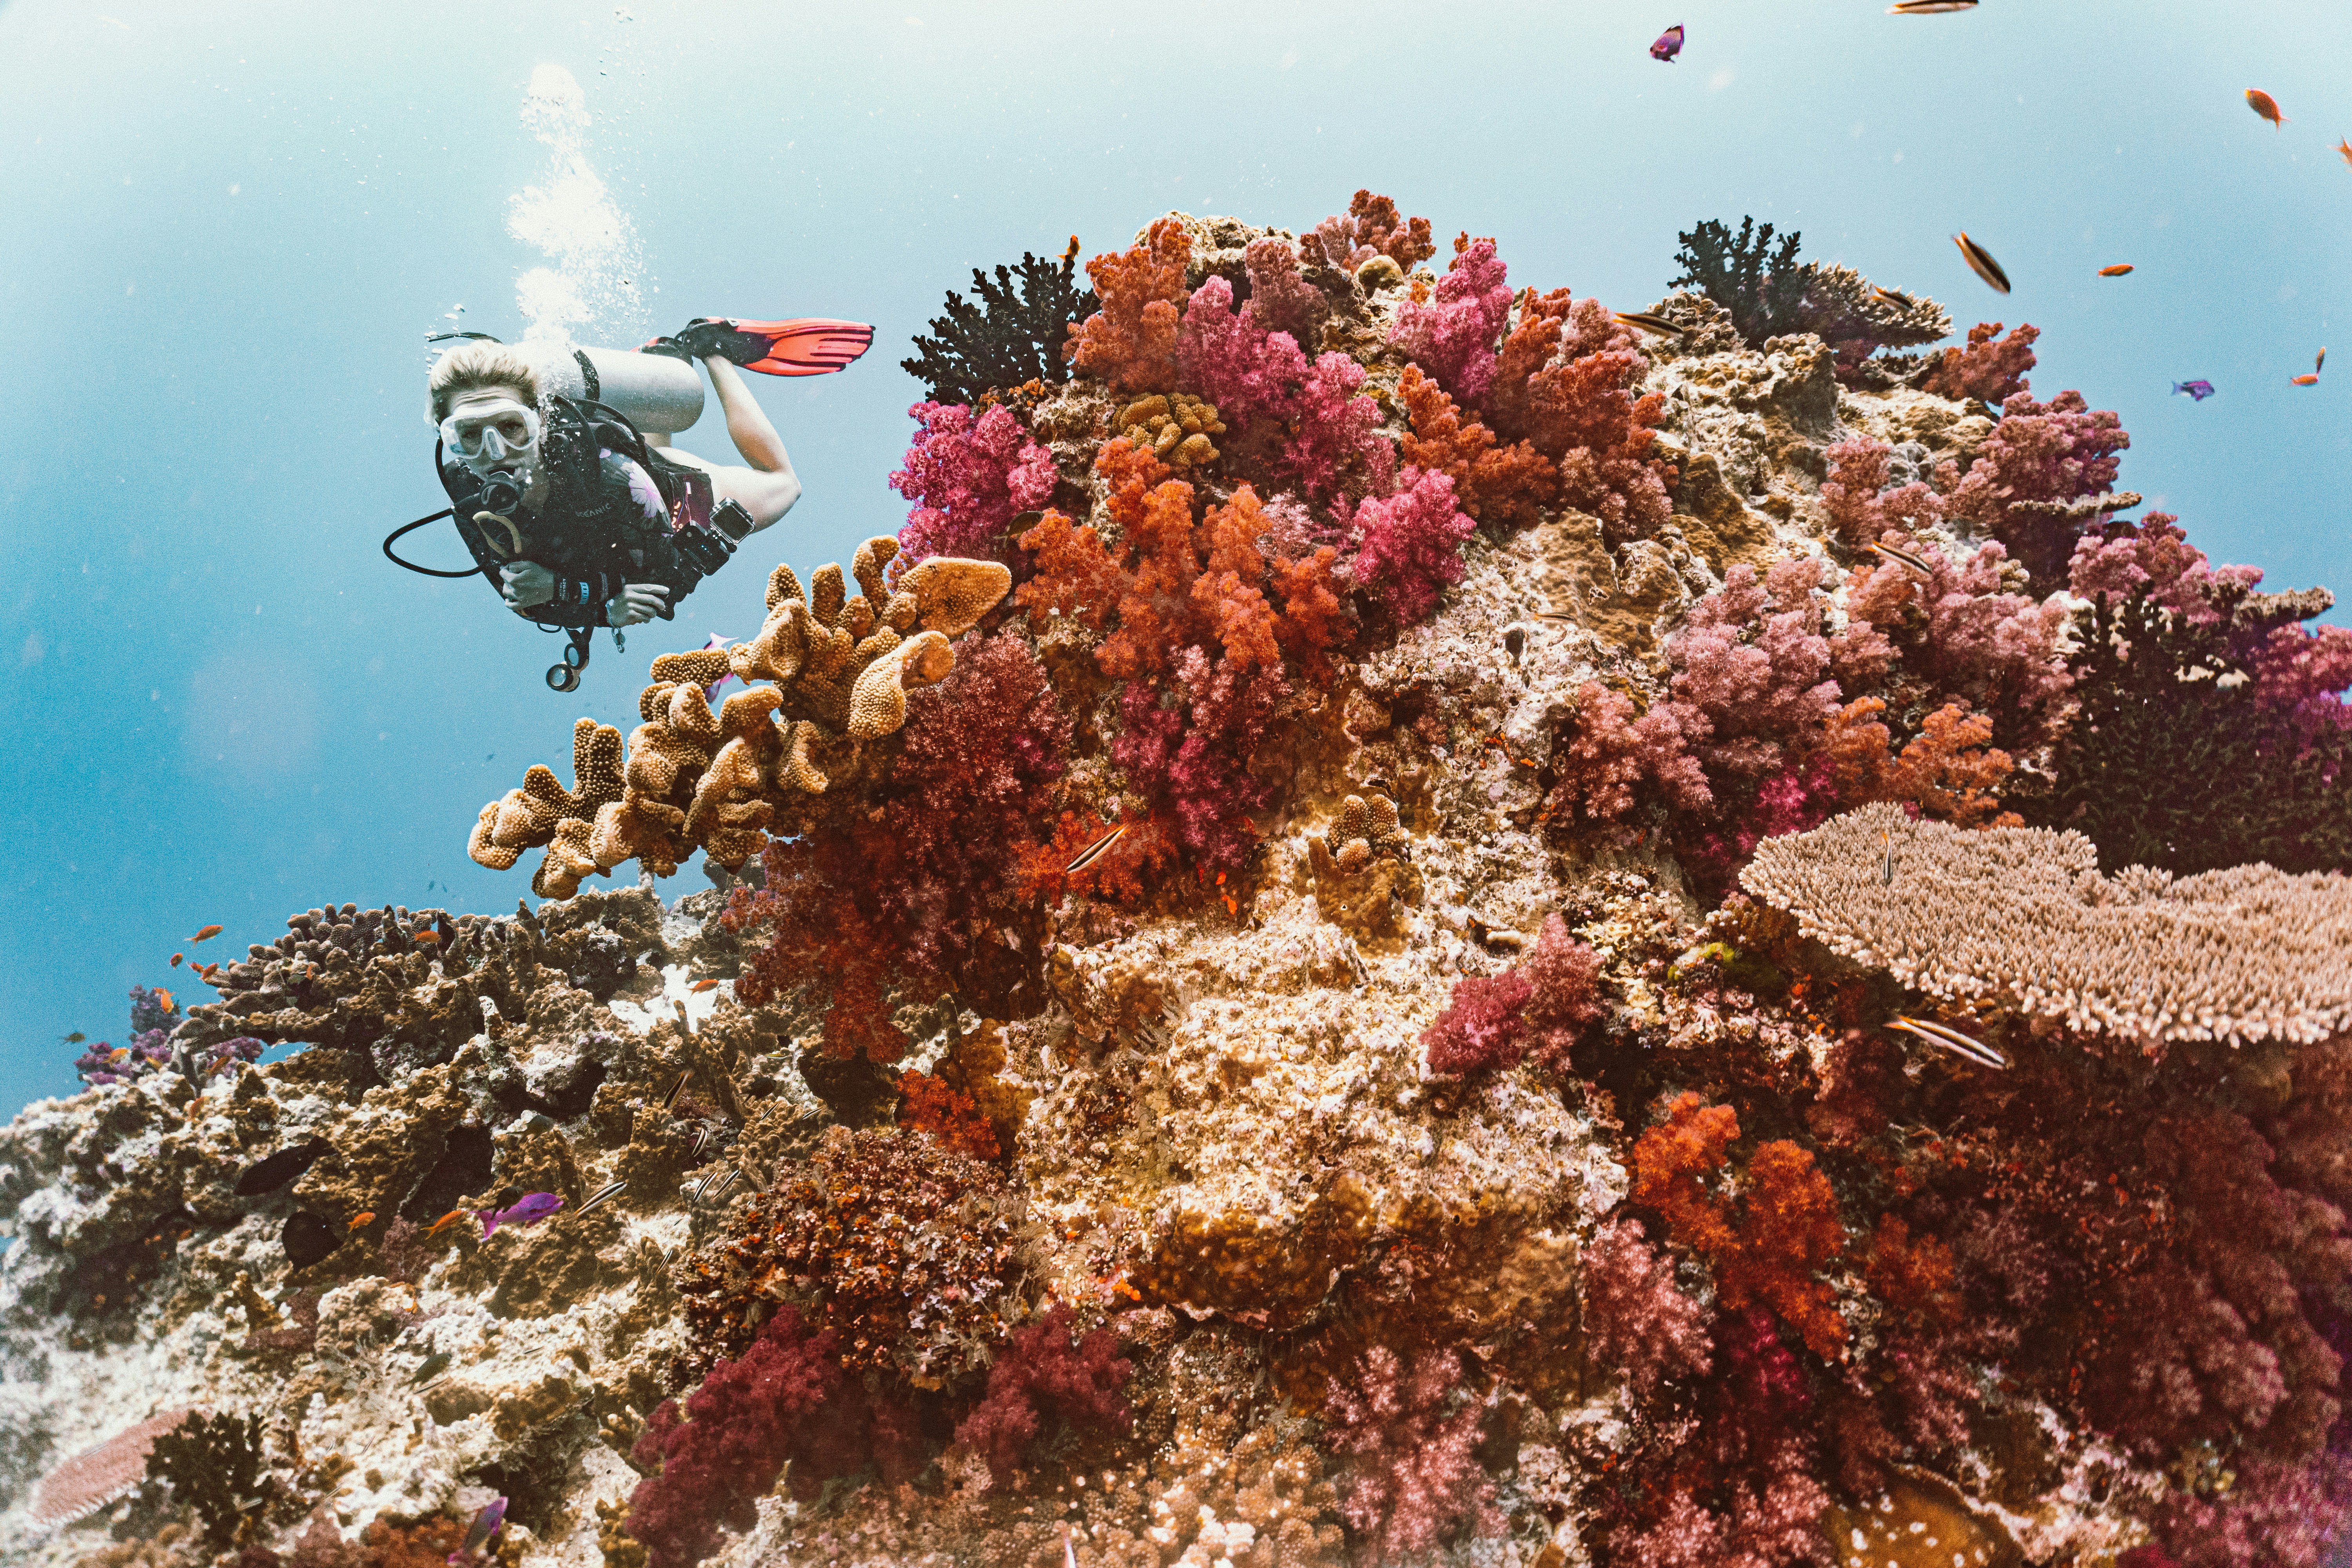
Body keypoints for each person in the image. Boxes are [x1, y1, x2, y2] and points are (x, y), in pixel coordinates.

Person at [413, 317, 871, 689]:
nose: (494, 454)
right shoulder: (468, 490)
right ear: (446, 439)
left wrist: (575, 594)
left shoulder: (618, 477)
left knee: (784, 485)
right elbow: (523, 598)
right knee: (646, 445)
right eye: (469, 436)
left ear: (541, 420)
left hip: (669, 493)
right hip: (616, 526)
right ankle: (662, 362)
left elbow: (664, 577)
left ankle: (712, 349)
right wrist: (585, 598)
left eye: (511, 427)